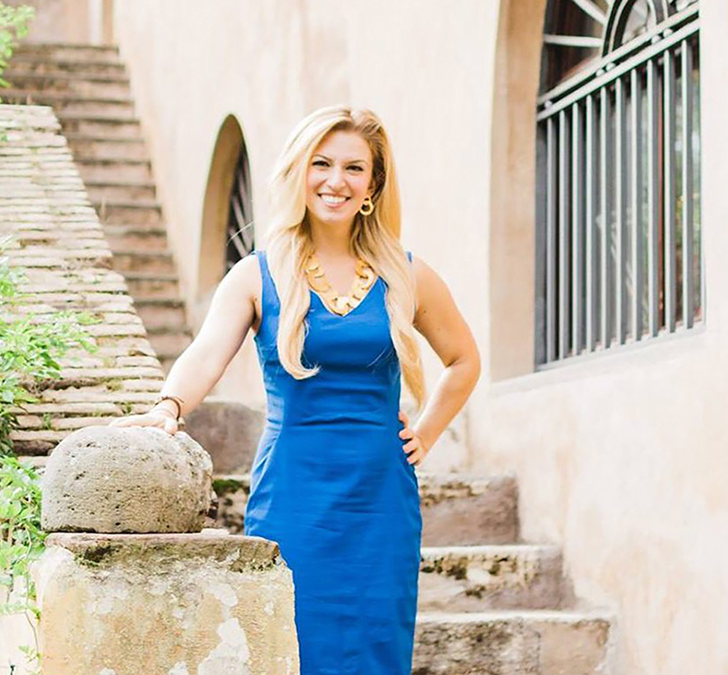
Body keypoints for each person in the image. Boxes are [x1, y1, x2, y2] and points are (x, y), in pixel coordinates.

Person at [109, 105, 480, 674]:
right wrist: (169, 406)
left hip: (381, 496)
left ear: (373, 184)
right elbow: (207, 352)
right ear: (299, 172)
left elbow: (463, 360)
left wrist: (426, 433)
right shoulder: (257, 274)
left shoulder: (406, 274)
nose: (336, 181)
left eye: (354, 168)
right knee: (290, 645)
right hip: (293, 491)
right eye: (321, 164)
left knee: (375, 646)